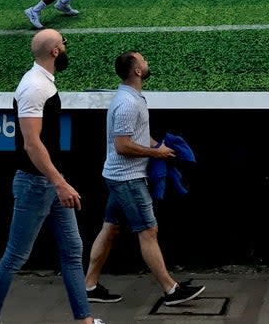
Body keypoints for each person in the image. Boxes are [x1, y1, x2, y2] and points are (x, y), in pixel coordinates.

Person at [0, 29, 105, 324]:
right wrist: (59, 182)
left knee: (73, 252)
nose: (65, 46)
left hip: (49, 182)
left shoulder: (42, 82)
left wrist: (58, 180)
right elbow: (32, 143)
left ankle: (84, 320)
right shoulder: (35, 86)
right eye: (63, 42)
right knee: (15, 257)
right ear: (55, 52)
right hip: (36, 185)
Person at [82, 50, 205, 307]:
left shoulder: (132, 98)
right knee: (149, 230)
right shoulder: (128, 103)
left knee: (111, 228)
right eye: (143, 61)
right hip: (127, 179)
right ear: (137, 71)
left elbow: (135, 137)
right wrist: (154, 152)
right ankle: (171, 290)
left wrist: (160, 148)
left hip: (118, 177)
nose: (147, 63)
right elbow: (123, 145)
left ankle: (89, 286)